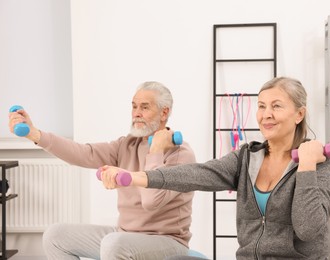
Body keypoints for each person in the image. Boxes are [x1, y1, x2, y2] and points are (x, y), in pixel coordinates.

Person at [99, 77, 330, 259]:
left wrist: (307, 166)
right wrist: (135, 177)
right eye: (261, 106)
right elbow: (199, 174)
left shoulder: (323, 162)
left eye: (276, 106)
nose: (266, 115)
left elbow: (308, 229)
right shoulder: (247, 157)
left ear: (299, 114)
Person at [8, 81, 197, 260]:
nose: (136, 113)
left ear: (164, 113)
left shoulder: (180, 155)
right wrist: (35, 134)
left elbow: (150, 201)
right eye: (134, 106)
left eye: (145, 107)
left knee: (114, 243)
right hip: (125, 236)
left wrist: (155, 151)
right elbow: (83, 153)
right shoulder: (127, 144)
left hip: (168, 241)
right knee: (55, 236)